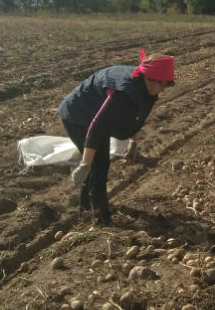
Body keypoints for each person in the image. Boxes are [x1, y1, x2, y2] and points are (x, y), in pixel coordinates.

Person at [58, 52, 174, 225]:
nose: (164, 89)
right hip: (78, 115)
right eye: (163, 85)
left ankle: (86, 208)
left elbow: (139, 117)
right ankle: (100, 219)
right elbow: (97, 128)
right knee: (99, 165)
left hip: (97, 114)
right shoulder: (123, 93)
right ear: (151, 79)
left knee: (99, 165)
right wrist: (85, 164)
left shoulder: (150, 91)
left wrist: (133, 144)